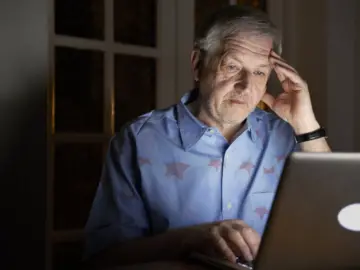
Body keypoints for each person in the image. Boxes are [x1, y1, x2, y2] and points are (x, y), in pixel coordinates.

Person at [84, 5, 331, 267]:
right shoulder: (137, 140)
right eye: (233, 66)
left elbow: (333, 216)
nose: (247, 86)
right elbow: (104, 258)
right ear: (198, 65)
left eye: (260, 72)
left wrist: (306, 123)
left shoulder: (286, 135)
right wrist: (189, 239)